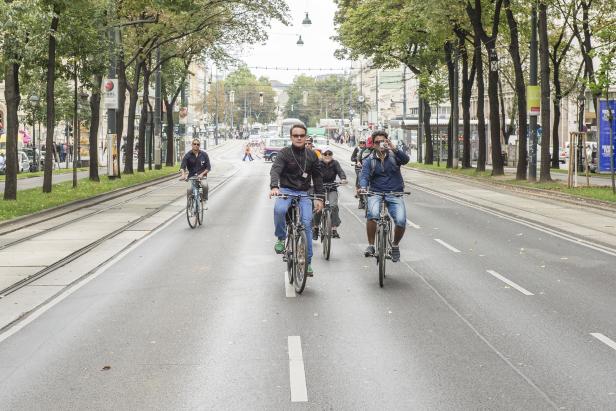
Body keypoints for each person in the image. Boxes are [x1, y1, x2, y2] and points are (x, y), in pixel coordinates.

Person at [270, 124, 324, 276]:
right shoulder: (284, 153)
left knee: (307, 224)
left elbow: (318, 177)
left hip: (303, 193)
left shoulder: (312, 155)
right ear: (291, 137)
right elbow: (275, 170)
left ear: (306, 137)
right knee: (279, 210)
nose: (299, 138)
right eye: (296, 135)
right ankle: (281, 238)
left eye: (302, 135)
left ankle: (307, 263)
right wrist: (274, 186)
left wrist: (319, 197)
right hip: (286, 190)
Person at [359, 130, 410, 262]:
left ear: (387, 141)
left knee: (400, 220)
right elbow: (364, 176)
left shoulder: (394, 156)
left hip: (395, 193)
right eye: (377, 142)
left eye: (383, 141)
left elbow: (406, 160)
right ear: (373, 144)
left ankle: (395, 245)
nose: (380, 144)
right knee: (372, 214)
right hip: (376, 192)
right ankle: (371, 245)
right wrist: (363, 187)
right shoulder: (369, 160)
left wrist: (394, 148)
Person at [313, 148, 347, 240]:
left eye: (329, 154)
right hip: (319, 188)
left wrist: (343, 178)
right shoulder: (317, 163)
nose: (327, 156)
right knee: (318, 208)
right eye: (325, 154)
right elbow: (313, 174)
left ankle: (334, 229)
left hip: (331, 187)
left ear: (332, 155)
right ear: (322, 155)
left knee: (334, 206)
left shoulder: (335, 163)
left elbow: (340, 171)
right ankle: (315, 228)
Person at [351, 139, 370, 209]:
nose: (362, 144)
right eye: (361, 143)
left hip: (370, 169)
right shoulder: (360, 150)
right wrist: (358, 161)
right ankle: (361, 200)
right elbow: (353, 158)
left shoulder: (373, 150)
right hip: (360, 168)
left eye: (363, 143)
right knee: (360, 180)